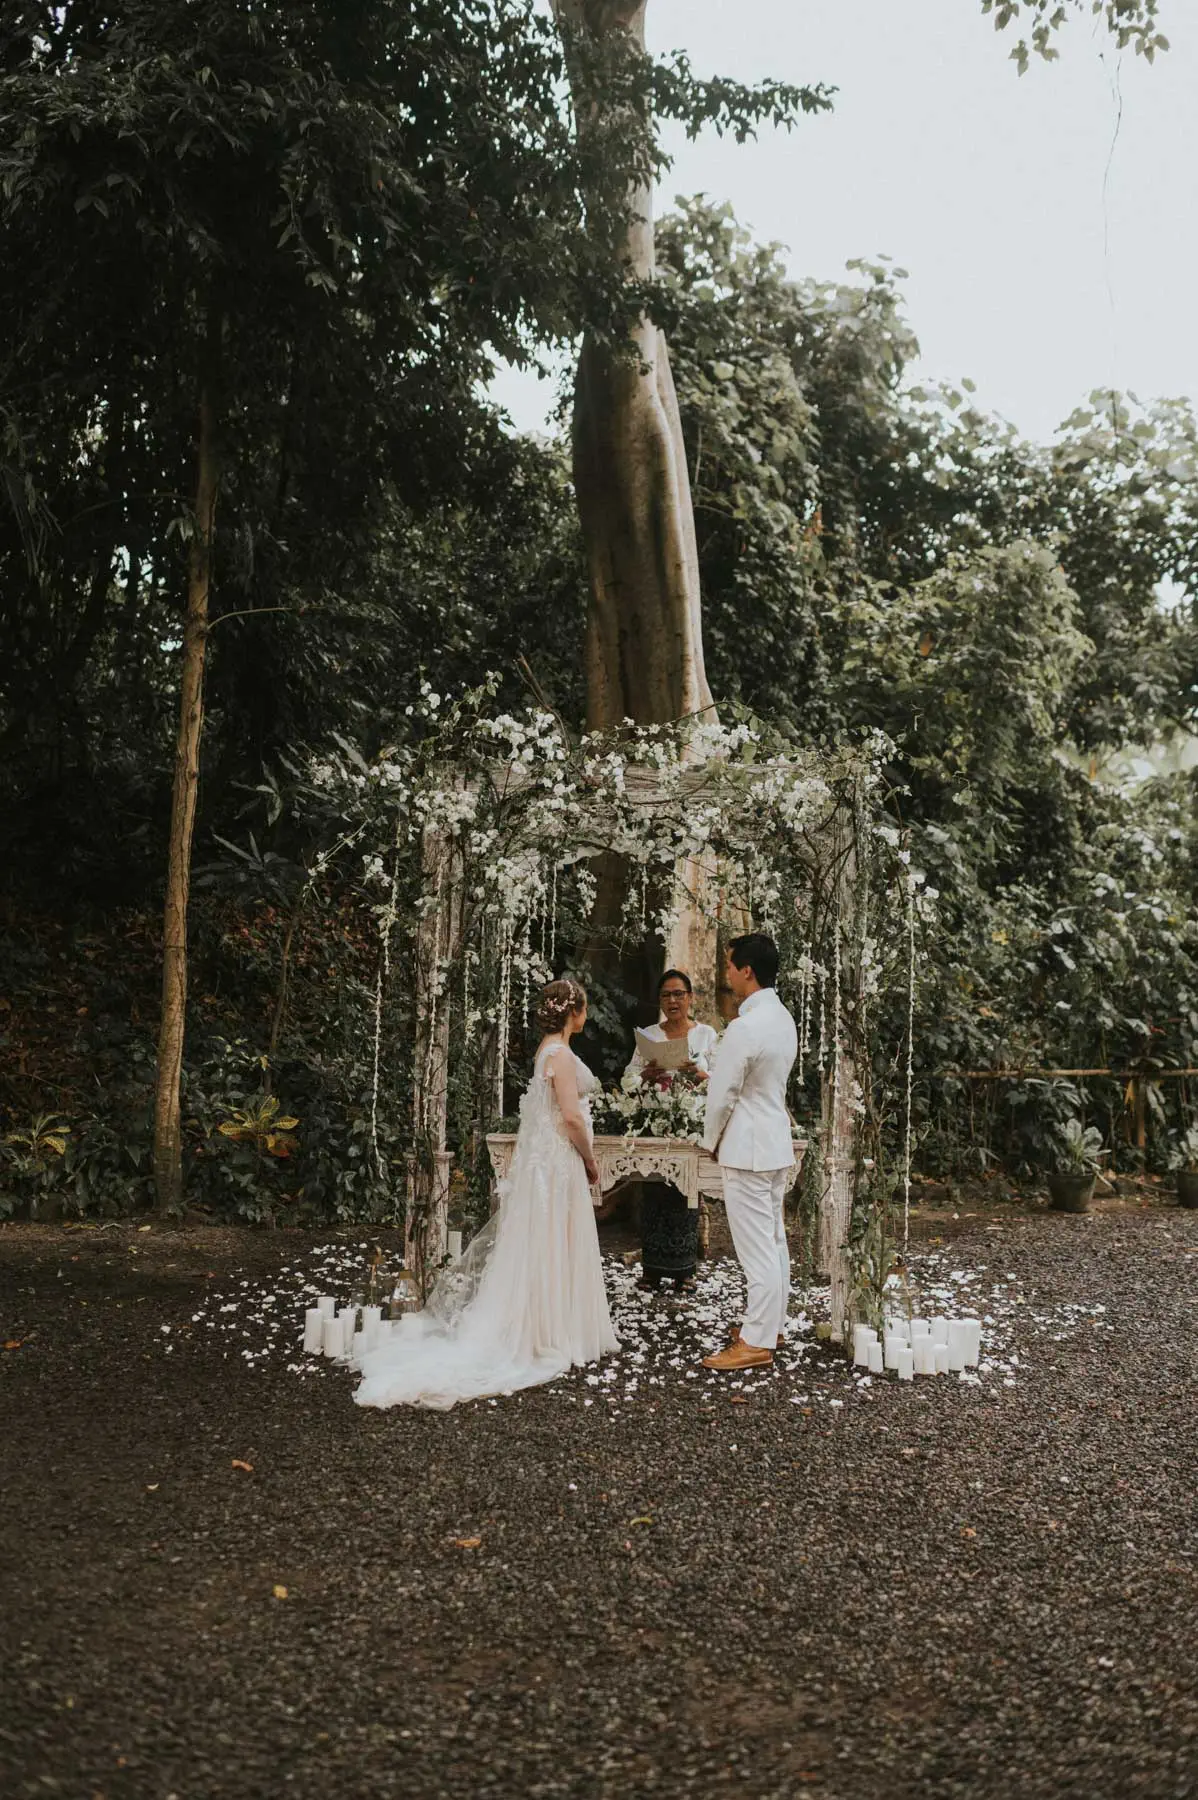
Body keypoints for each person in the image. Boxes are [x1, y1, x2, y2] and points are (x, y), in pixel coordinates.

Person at [355, 979, 619, 1410]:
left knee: (543, 1241)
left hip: (543, 1167)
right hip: (558, 1165)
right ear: (575, 1012)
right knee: (557, 1239)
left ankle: (545, 1325)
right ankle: (555, 1332)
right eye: (584, 1008)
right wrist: (590, 1161)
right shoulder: (563, 1057)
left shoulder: (544, 1053)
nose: (586, 1015)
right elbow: (571, 1118)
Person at [699, 933, 798, 1371]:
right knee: (774, 1242)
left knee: (757, 1249)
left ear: (747, 971)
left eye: (729, 967)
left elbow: (722, 1096)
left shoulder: (745, 1027)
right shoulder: (784, 1020)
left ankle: (757, 1342)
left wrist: (709, 1140)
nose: (726, 975)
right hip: (774, 1142)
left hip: (746, 1148)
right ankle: (770, 1326)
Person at [621, 969, 719, 1290]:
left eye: (679, 994)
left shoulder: (706, 1035)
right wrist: (646, 1076)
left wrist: (700, 1075)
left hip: (690, 1127)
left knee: (686, 1194)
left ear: (690, 998)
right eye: (666, 995)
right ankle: (651, 1269)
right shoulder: (649, 1035)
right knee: (654, 1192)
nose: (673, 1000)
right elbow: (628, 1080)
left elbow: (723, 1082)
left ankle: (684, 1272)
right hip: (656, 1125)